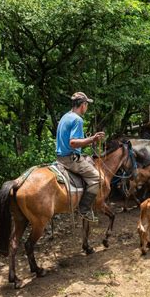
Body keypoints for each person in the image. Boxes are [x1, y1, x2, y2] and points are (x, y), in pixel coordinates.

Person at [56, 92, 105, 222]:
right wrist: (93, 139)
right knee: (97, 178)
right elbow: (73, 142)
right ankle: (84, 210)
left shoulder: (65, 116)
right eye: (86, 104)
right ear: (82, 105)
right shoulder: (77, 119)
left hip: (60, 157)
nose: (86, 107)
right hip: (70, 160)